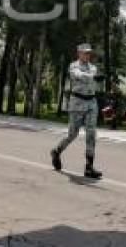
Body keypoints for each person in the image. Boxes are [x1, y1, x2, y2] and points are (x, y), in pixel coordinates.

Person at [50, 43, 103, 179]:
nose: (87, 55)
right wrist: (92, 77)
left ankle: (89, 167)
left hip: (91, 102)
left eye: (89, 53)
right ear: (79, 53)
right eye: (85, 53)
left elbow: (93, 75)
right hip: (77, 103)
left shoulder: (93, 67)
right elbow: (78, 75)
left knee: (91, 133)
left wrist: (94, 76)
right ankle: (57, 151)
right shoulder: (73, 66)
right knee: (73, 134)